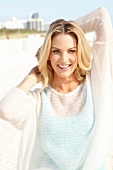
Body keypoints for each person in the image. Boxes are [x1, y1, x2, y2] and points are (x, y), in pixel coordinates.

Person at [0, 7, 113, 170]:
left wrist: (61, 30)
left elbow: (101, 18)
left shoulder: (95, 82)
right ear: (48, 54)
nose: (64, 59)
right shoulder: (39, 99)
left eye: (71, 50)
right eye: (56, 51)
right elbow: (5, 110)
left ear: (79, 51)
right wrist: (31, 78)